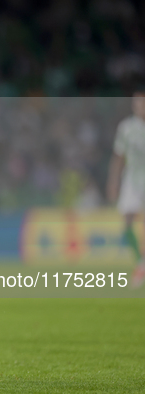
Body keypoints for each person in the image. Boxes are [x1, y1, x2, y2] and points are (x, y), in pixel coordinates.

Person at [107, 90, 145, 287]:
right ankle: (141, 262)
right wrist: (113, 182)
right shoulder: (127, 128)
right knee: (127, 220)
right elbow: (118, 156)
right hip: (132, 178)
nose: (140, 107)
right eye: (137, 104)